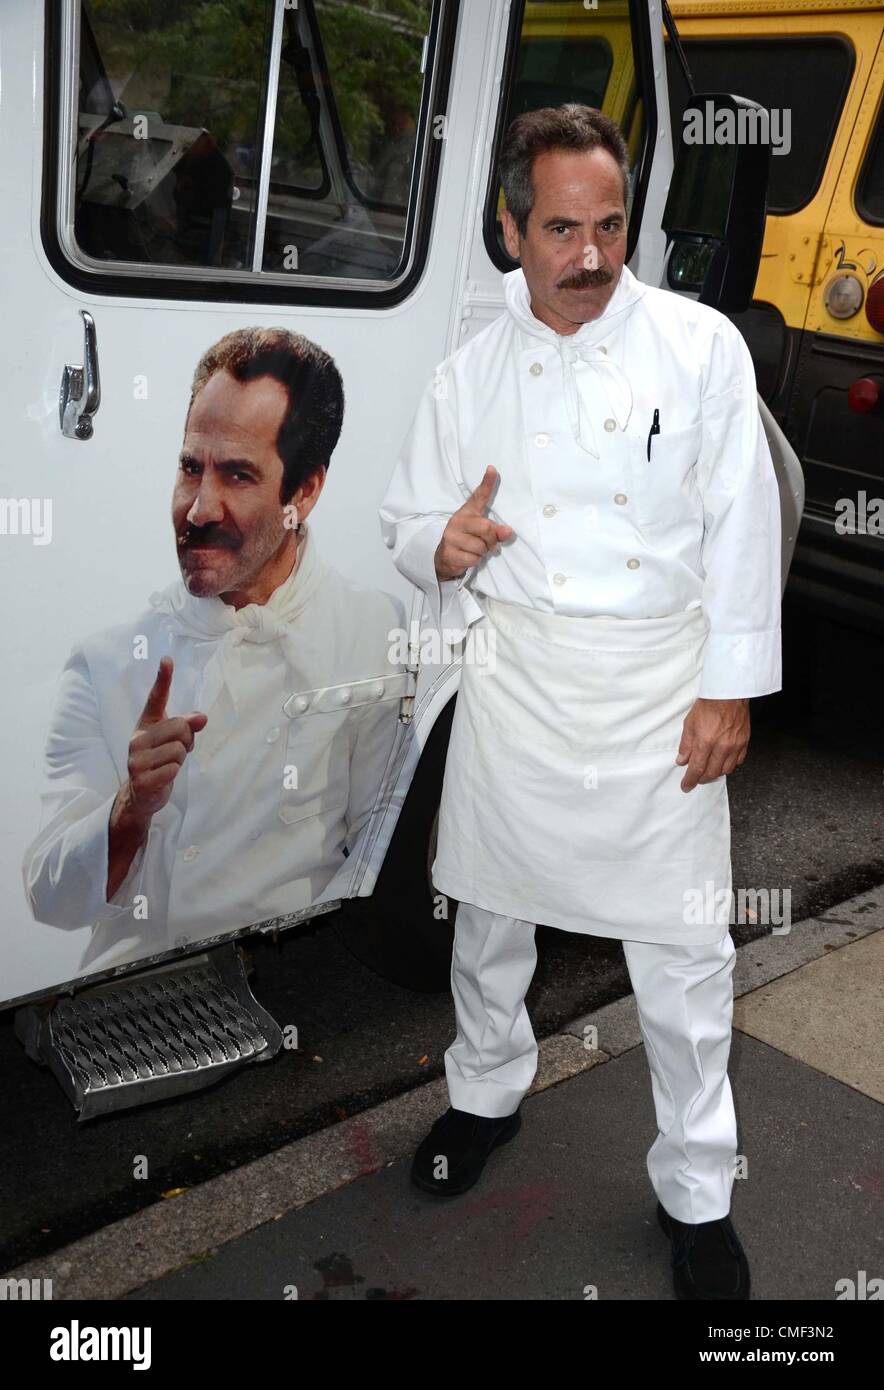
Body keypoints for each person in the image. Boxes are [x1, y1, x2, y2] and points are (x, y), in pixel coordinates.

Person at [379, 104, 782, 1300]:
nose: (591, 256)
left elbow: (742, 524)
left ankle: (697, 1189)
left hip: (662, 687)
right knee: (489, 921)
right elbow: (406, 518)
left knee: (683, 954)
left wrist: (728, 688)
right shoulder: (466, 370)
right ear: (509, 229)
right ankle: (484, 1094)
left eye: (608, 226)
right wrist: (437, 543)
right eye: (560, 229)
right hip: (519, 680)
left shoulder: (701, 347)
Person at [24, 328, 404, 974]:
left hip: (296, 992)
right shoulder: (105, 662)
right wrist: (129, 810)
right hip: (131, 1003)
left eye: (237, 475)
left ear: (304, 493)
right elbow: (49, 897)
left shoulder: (373, 631)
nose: (199, 508)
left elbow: (375, 856)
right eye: (190, 467)